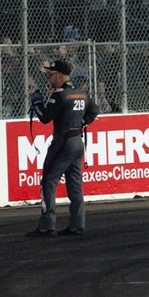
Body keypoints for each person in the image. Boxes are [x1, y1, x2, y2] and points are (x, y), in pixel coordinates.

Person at [28, 58, 97, 238]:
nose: (49, 78)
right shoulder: (82, 93)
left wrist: (36, 104)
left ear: (59, 75)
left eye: (51, 75)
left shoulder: (59, 95)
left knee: (48, 181)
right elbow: (94, 111)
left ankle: (47, 224)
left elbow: (44, 118)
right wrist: (82, 122)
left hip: (62, 143)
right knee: (75, 183)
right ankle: (77, 224)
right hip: (77, 142)